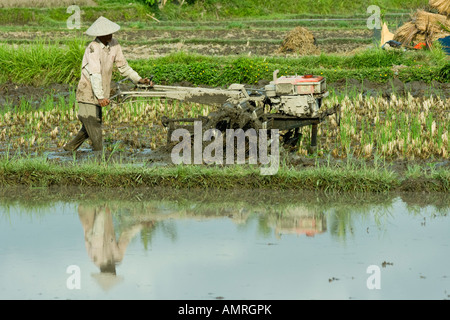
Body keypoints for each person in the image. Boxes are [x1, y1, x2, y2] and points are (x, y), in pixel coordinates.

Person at [63, 16, 152, 152]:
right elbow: (95, 74)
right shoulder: (93, 48)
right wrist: (100, 96)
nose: (110, 35)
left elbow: (124, 67)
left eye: (110, 32)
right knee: (93, 125)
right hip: (88, 90)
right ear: (99, 34)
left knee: (90, 126)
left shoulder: (114, 44)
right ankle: (100, 156)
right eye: (106, 33)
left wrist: (138, 80)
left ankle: (70, 147)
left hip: (100, 91)